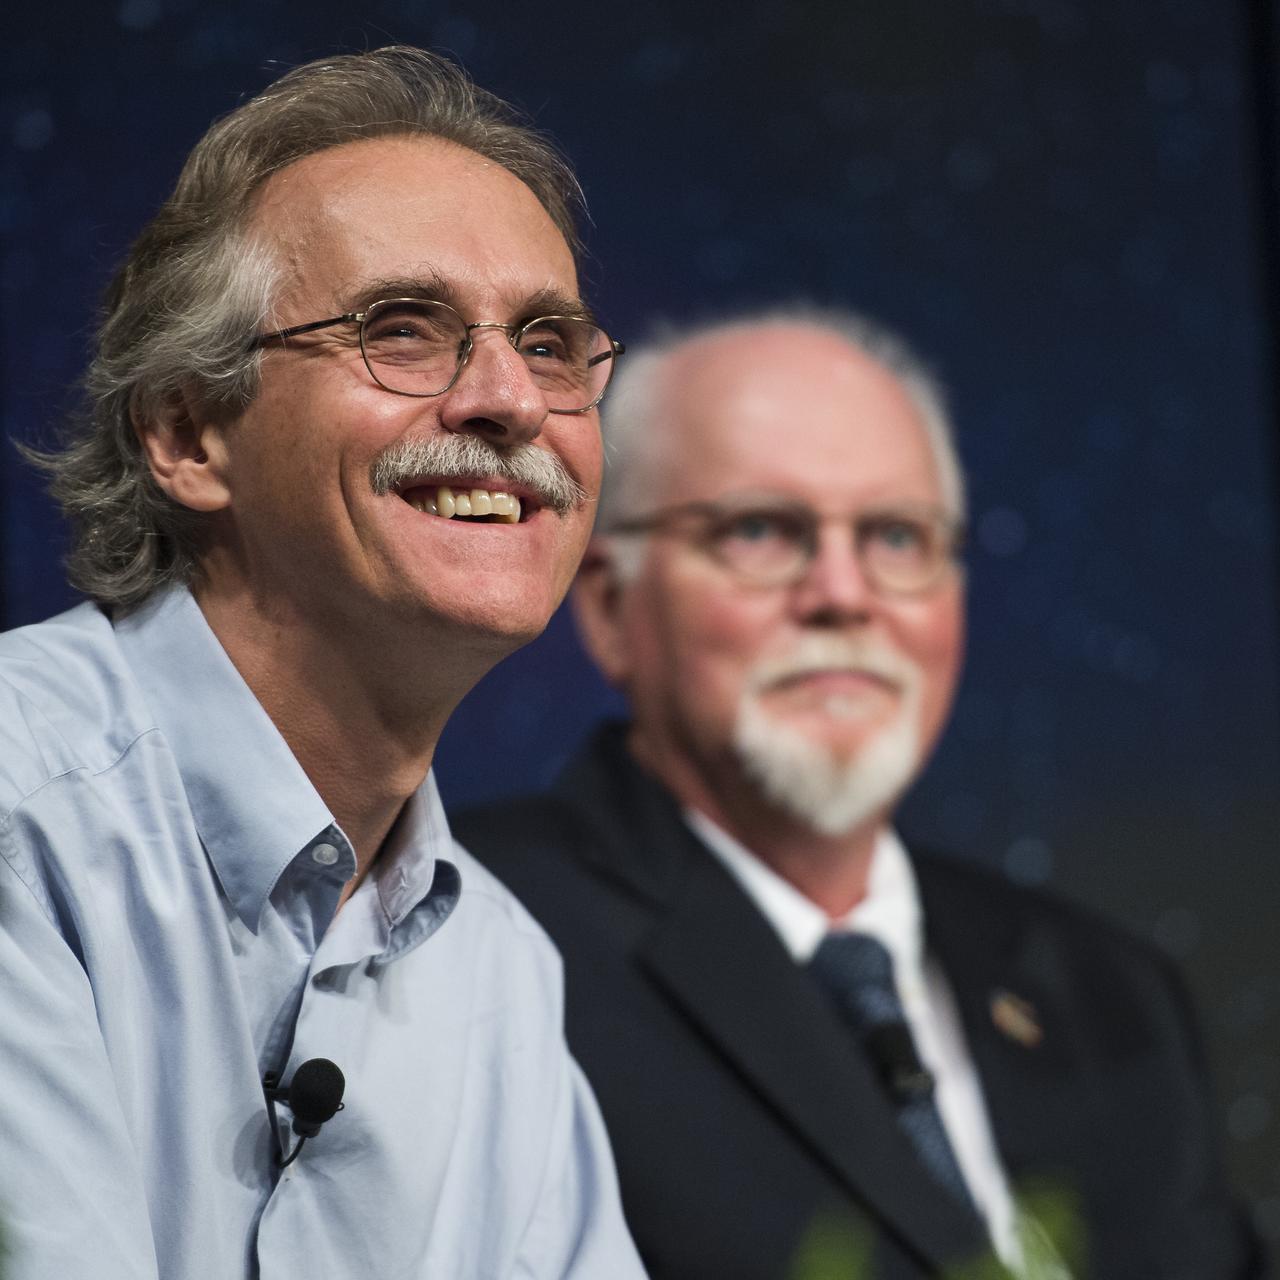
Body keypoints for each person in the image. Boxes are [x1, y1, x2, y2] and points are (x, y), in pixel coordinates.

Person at [0, 47, 646, 1280]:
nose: (510, 398)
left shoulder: (500, 968)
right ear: (189, 430)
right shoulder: (20, 812)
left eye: (552, 343)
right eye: (402, 331)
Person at [456, 309, 1260, 1279]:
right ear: (608, 604)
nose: (842, 591)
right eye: (758, 529)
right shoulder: (476, 943)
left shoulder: (1109, 989)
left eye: (893, 535)